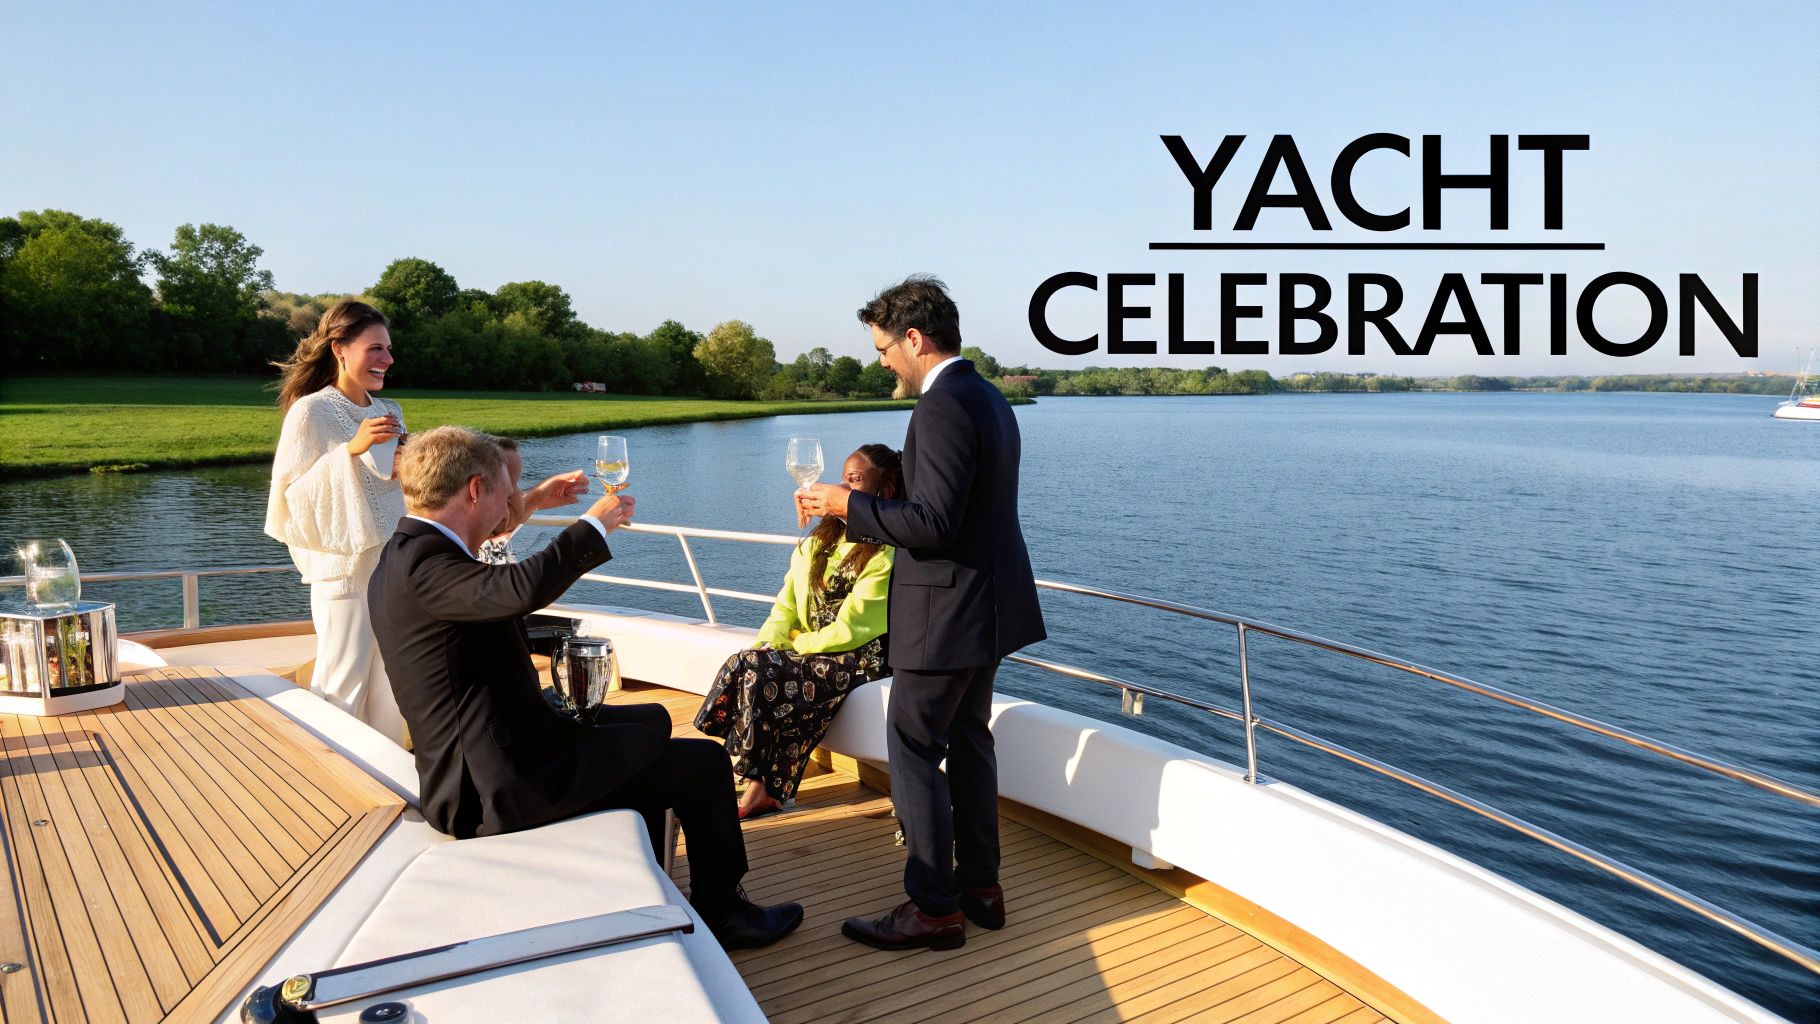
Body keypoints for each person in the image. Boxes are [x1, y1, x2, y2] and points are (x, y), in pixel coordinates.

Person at [369, 426, 802, 950]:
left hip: (504, 750)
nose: (510, 505)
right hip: (496, 788)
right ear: (477, 489)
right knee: (701, 763)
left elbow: (480, 612)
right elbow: (517, 589)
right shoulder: (426, 564)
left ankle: (644, 881)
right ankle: (723, 911)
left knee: (652, 721)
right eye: (507, 492)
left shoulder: (408, 553)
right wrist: (591, 527)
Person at [798, 276, 1045, 952]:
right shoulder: (991, 398)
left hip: (944, 616)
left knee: (911, 749)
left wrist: (843, 506)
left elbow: (933, 524)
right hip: (989, 610)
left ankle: (933, 907)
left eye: (884, 348)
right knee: (969, 741)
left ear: (915, 338)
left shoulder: (937, 409)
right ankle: (981, 889)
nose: (881, 362)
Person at [694, 444, 904, 820]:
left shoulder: (884, 554)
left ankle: (749, 784)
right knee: (749, 661)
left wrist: (795, 645)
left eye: (855, 480)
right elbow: (786, 604)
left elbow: (853, 629)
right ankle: (761, 787)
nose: (841, 487)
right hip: (812, 648)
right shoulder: (817, 543)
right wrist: (769, 643)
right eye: (843, 478)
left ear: (884, 492)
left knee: (763, 671)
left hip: (860, 656)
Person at [265, 300, 410, 741]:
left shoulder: (391, 410)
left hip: (391, 565)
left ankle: (394, 776)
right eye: (375, 348)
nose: (386, 359)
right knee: (343, 678)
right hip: (344, 570)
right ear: (340, 349)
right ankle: (341, 780)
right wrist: (350, 449)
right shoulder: (311, 412)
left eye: (387, 349)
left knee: (392, 681)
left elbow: (394, 482)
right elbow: (290, 497)